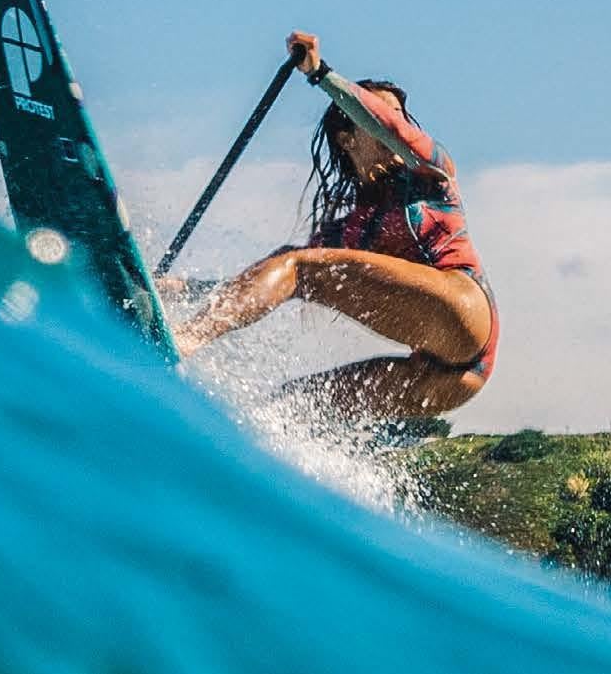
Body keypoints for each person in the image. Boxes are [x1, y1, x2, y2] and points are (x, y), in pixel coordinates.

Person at [174, 32, 497, 417]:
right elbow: (263, 279)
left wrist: (319, 73)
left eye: (399, 117)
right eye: (379, 117)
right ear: (347, 138)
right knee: (290, 405)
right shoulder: (348, 233)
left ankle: (181, 342)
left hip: (465, 315)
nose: (395, 126)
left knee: (299, 266)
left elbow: (391, 130)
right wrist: (173, 289)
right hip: (447, 379)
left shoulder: (432, 172)